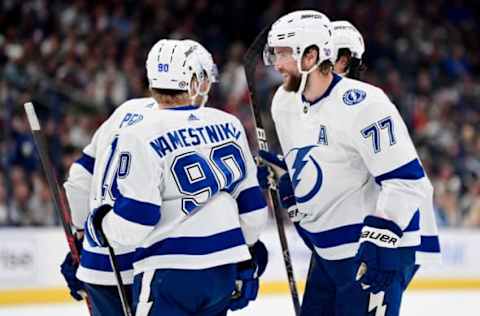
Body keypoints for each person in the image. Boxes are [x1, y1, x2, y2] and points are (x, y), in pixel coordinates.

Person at [260, 10, 440, 316]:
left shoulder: (365, 103)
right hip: (327, 254)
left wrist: (382, 237)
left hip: (368, 250)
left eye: (285, 54)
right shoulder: (283, 102)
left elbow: (407, 181)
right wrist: (289, 186)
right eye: (274, 54)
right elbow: (313, 173)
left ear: (311, 56)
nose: (276, 65)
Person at [84, 39, 268, 316]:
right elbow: (253, 208)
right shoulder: (228, 123)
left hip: (169, 269)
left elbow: (137, 220)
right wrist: (246, 257)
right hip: (223, 268)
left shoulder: (140, 132)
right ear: (194, 81)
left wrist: (99, 228)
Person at [60, 39, 220, 315]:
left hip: (99, 263)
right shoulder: (196, 126)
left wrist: (83, 240)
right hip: (150, 265)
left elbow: (78, 179)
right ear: (196, 81)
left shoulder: (125, 111)